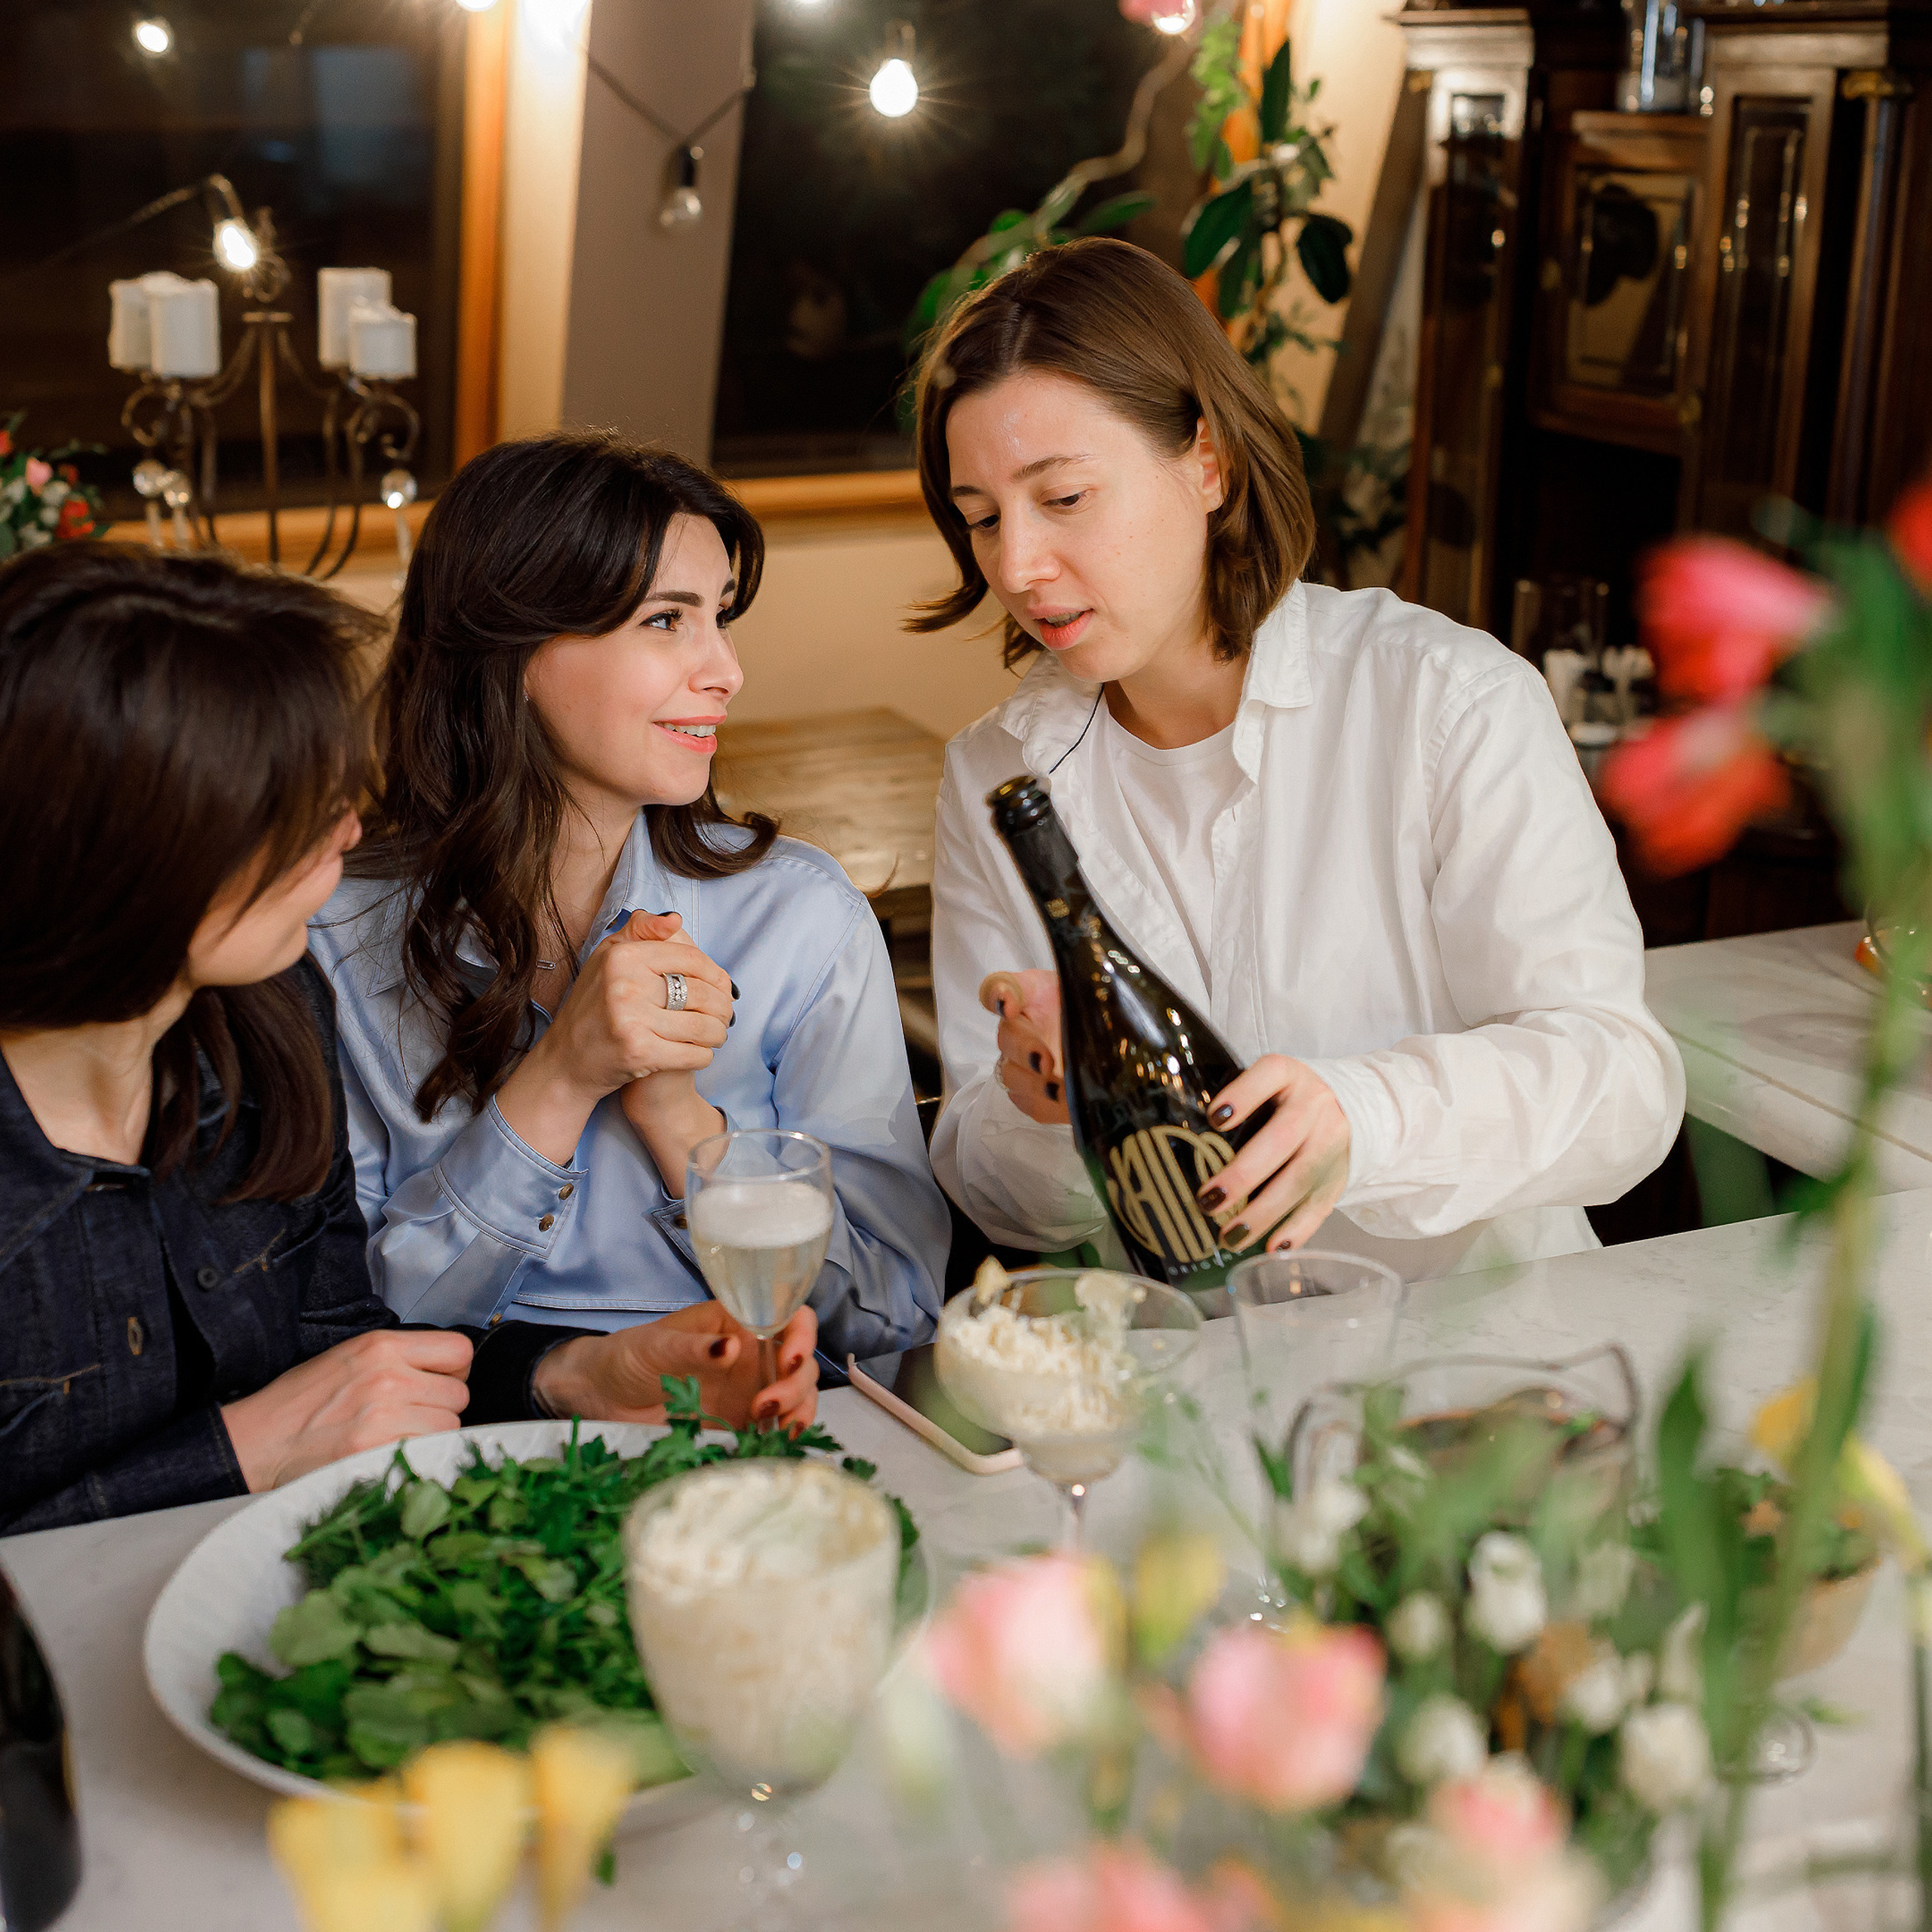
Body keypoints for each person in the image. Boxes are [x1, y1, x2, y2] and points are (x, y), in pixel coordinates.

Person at [0, 544, 817, 1535]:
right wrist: (234, 1456)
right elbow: (295, 1426)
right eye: (289, 803)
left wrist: (572, 1377)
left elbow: (348, 1354)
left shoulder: (271, 1020)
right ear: (124, 842)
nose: (348, 832)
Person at [917, 238, 1684, 1282]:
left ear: (1207, 463)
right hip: (1195, 1389)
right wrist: (1053, 1116)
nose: (1017, 564)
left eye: (1063, 499)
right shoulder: (996, 774)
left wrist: (1364, 1117)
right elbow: (984, 1176)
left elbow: (1625, 1086)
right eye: (981, 519)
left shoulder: (1443, 704)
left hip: (1476, 1367)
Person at [310, 432, 947, 1358]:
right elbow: (344, 1324)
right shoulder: (333, 933)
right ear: (517, 648)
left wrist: (683, 1125)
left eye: (720, 617)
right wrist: (563, 1076)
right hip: (463, 1454)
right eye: (665, 620)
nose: (726, 670)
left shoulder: (802, 919)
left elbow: (893, 1309)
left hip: (740, 1440)